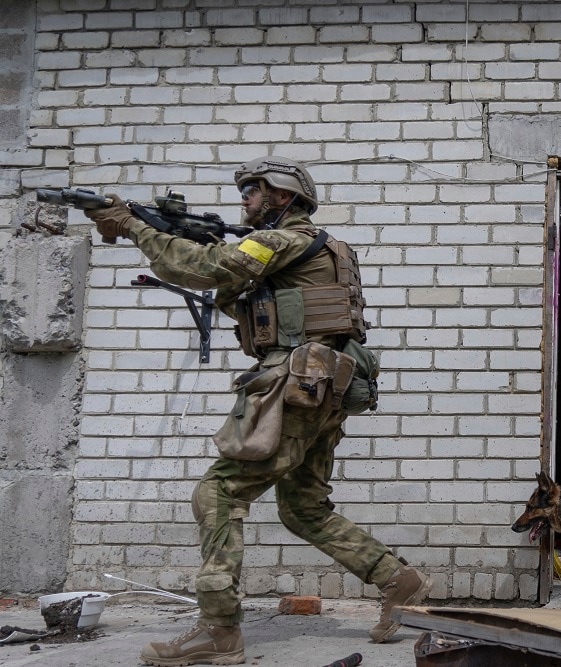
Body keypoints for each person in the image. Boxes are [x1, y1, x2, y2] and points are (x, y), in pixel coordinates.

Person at [85, 157, 430, 666]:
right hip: (324, 387)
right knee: (304, 508)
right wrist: (188, 238)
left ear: (284, 196)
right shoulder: (321, 247)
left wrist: (134, 226)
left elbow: (203, 270)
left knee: (219, 492)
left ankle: (218, 629)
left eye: (253, 190)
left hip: (294, 386)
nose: (244, 198)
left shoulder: (281, 240)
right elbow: (237, 296)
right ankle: (397, 579)